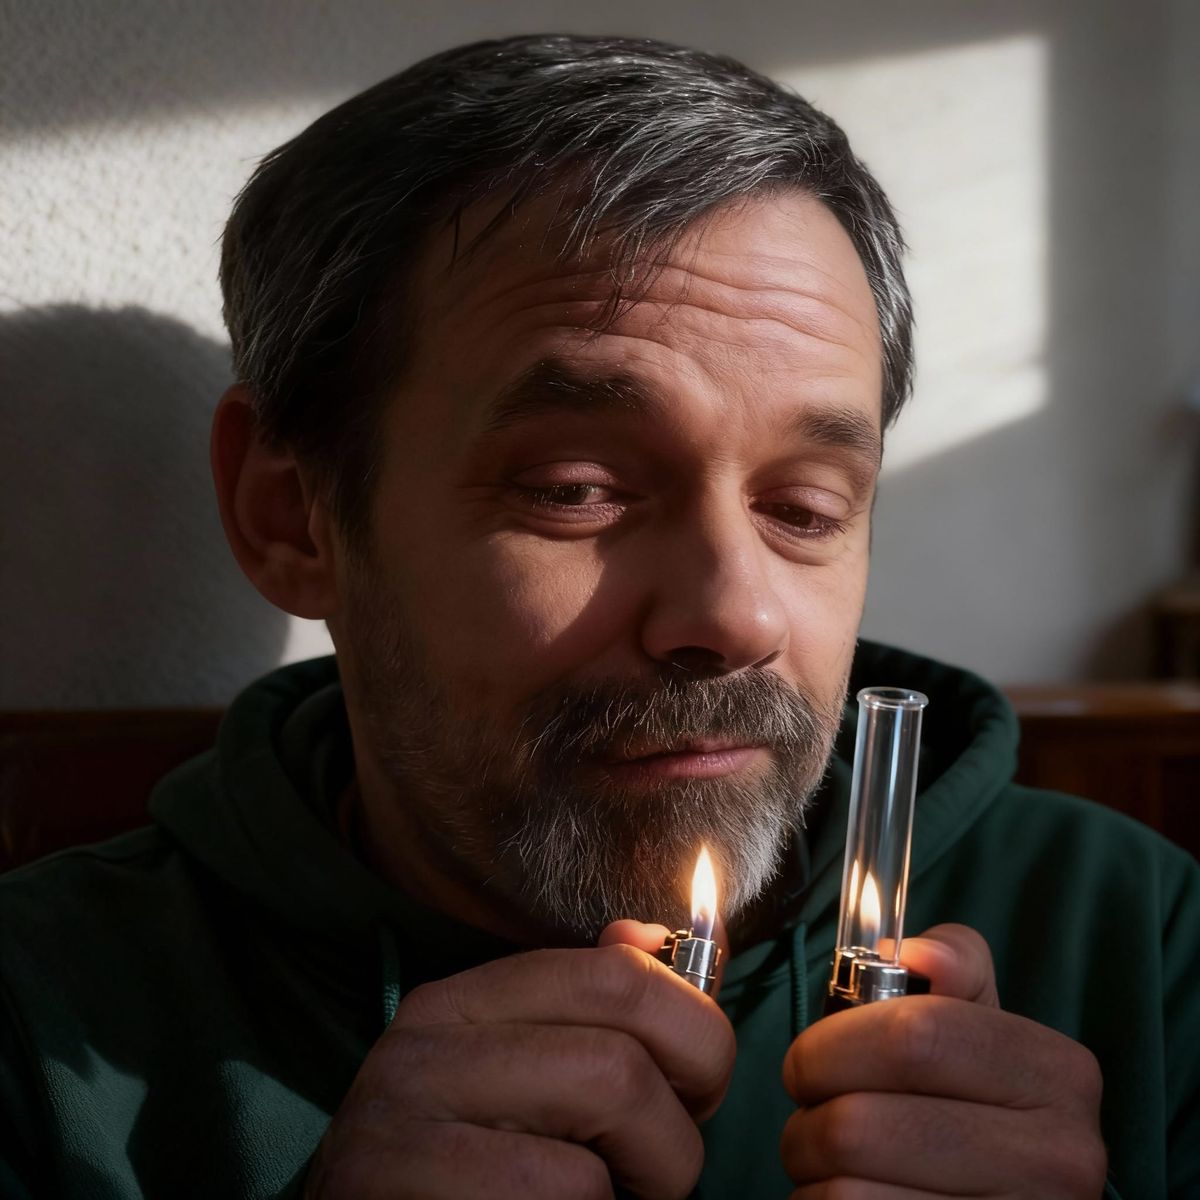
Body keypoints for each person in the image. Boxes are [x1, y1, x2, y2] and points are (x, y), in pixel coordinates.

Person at [1, 33, 1197, 1200]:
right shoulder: (41, 1023)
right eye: (575, 490)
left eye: (806, 508)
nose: (734, 614)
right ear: (293, 517)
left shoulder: (1137, 940)